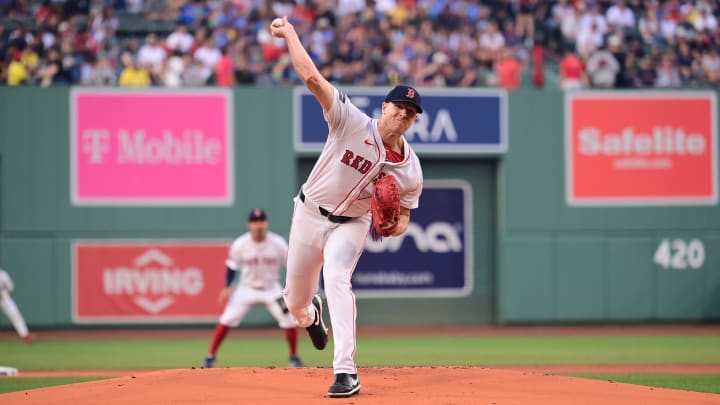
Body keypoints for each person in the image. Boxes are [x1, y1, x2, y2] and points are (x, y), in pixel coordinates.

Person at [269, 16, 424, 398]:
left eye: (410, 113)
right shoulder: (350, 121)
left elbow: (403, 217)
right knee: (294, 302)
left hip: (352, 223)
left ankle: (346, 371)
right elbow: (312, 79)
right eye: (398, 107)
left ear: (414, 120)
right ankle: (311, 317)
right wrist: (290, 33)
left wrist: (391, 227)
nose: (403, 115)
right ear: (384, 107)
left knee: (337, 276)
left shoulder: (411, 169)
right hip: (309, 213)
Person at [202, 208, 304, 369]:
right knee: (226, 319)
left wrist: (293, 288)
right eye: (255, 222)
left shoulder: (278, 243)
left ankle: (294, 357)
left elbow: (291, 266)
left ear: (266, 223)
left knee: (289, 320)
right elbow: (231, 267)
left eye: (261, 221)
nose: (259, 225)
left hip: (271, 289)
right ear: (249, 224)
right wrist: (227, 287)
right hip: (246, 289)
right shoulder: (240, 244)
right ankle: (210, 356)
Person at [0, 267, 32, 343]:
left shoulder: (3, 274)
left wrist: (3, 294)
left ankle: (25, 335)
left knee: (15, 314)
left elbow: (10, 288)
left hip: (4, 298)